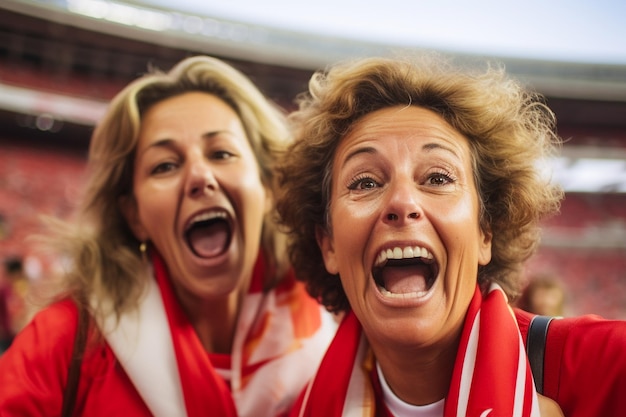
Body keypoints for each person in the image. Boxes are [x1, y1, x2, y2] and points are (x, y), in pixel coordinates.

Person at [276, 54, 626, 416]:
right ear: (328, 244)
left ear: (485, 231)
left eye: (438, 178)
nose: (402, 201)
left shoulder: (611, 368)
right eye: (365, 182)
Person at [0, 55, 337, 417]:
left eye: (221, 153)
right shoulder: (69, 341)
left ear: (268, 185)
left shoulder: (341, 332)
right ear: (135, 216)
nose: (199, 176)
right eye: (165, 165)